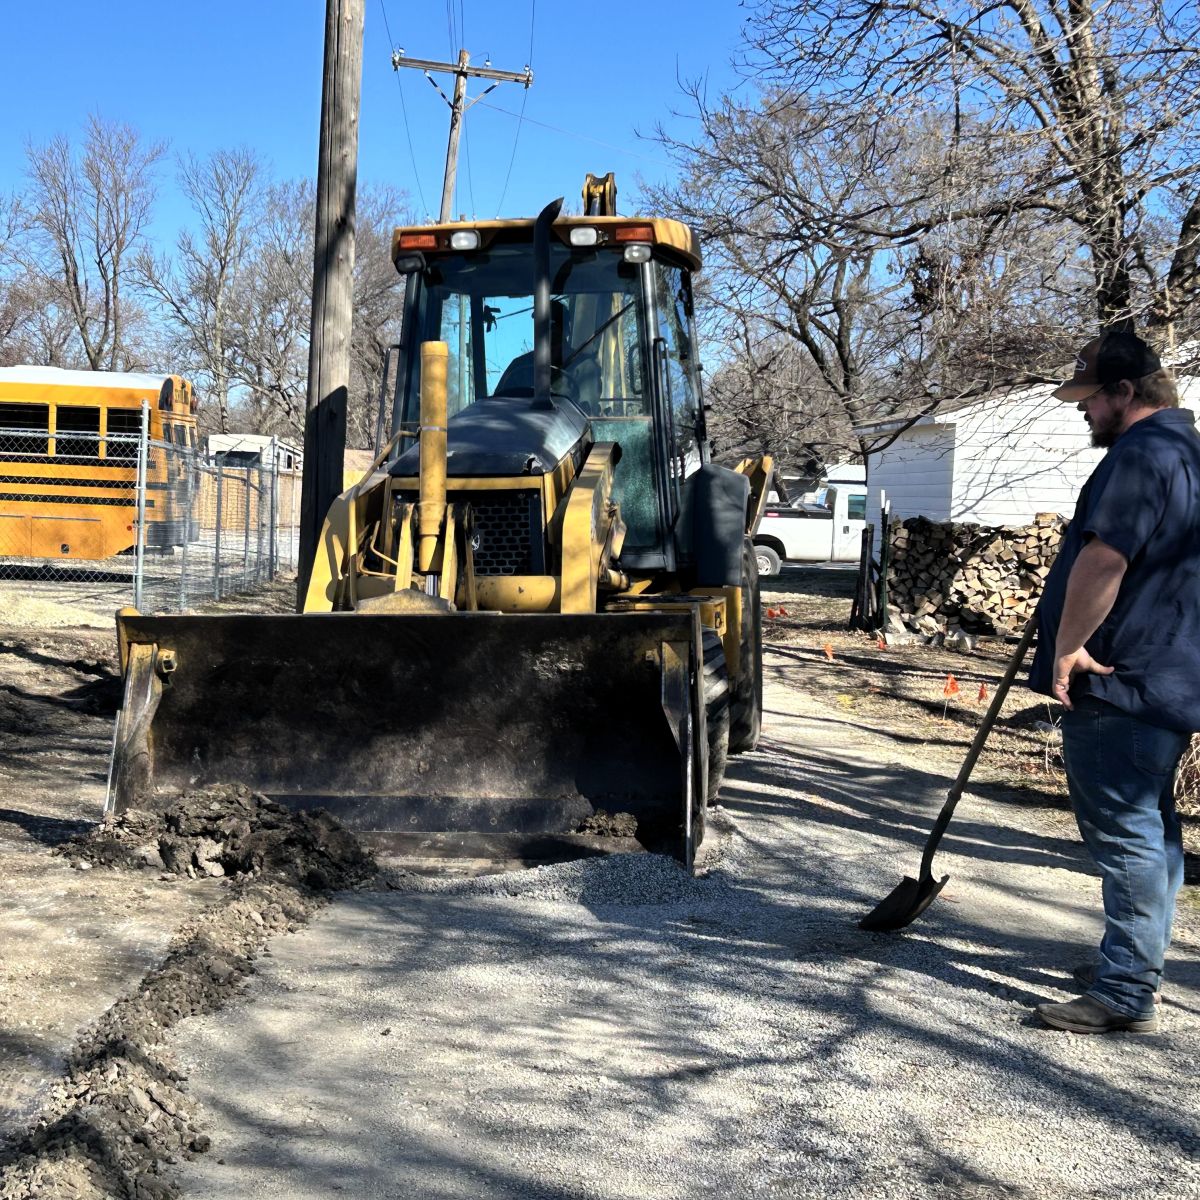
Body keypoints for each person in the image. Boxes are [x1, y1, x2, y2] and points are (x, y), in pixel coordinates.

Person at [1028, 330, 1200, 1034]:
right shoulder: (1188, 453)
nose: (1083, 410)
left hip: (1120, 680)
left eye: (1090, 397)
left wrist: (1067, 646)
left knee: (1127, 836)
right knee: (1154, 830)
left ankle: (1126, 990)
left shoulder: (1140, 455)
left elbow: (1105, 561)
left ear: (1126, 391)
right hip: (1168, 677)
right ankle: (1136, 961)